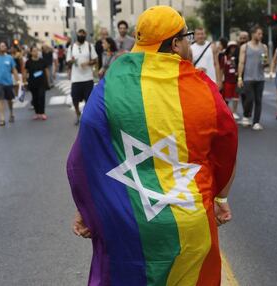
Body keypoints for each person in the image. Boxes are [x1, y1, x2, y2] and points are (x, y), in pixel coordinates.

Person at [67, 5, 238, 285]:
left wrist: (87, 207)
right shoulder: (202, 87)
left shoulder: (111, 83)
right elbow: (227, 148)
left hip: (126, 220)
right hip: (188, 221)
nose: (188, 42)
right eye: (187, 37)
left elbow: (83, 155)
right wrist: (219, 198)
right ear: (175, 43)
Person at [237, 25, 268, 131]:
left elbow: (265, 62)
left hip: (260, 77)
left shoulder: (264, 47)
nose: (261, 35)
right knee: (249, 98)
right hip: (248, 77)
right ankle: (246, 115)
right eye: (259, 33)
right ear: (253, 34)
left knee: (258, 100)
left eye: (262, 34)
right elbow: (241, 62)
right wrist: (240, 78)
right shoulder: (245, 47)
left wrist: (265, 63)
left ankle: (256, 122)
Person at [66, 29, 98, 125]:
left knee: (89, 99)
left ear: (86, 35)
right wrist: (71, 61)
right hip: (76, 78)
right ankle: (78, 114)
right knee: (75, 98)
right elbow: (67, 61)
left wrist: (88, 63)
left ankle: (88, 117)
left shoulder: (89, 46)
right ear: (77, 35)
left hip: (88, 77)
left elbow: (95, 60)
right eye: (80, 34)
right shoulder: (71, 47)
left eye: (83, 34)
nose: (81, 36)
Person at [0, 41, 20, 127]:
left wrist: (18, 80)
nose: (5, 47)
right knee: (0, 99)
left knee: (9, 100)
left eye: (5, 46)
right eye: (2, 46)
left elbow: (14, 69)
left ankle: (11, 113)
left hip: (8, 82)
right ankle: (2, 118)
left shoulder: (10, 58)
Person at [23, 46, 49, 120]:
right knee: (35, 98)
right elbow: (25, 72)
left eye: (37, 51)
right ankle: (37, 113)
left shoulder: (42, 61)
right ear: (31, 52)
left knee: (41, 96)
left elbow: (46, 71)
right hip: (32, 82)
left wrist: (47, 81)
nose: (36, 52)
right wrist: (24, 81)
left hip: (42, 82)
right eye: (34, 51)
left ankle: (42, 113)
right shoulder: (28, 62)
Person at [220, 41, 240, 119]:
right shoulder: (224, 57)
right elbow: (221, 69)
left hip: (235, 80)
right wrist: (220, 80)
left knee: (236, 97)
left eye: (234, 47)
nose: (233, 49)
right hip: (227, 80)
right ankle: (226, 112)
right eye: (231, 47)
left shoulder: (238, 57)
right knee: (226, 98)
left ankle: (234, 112)